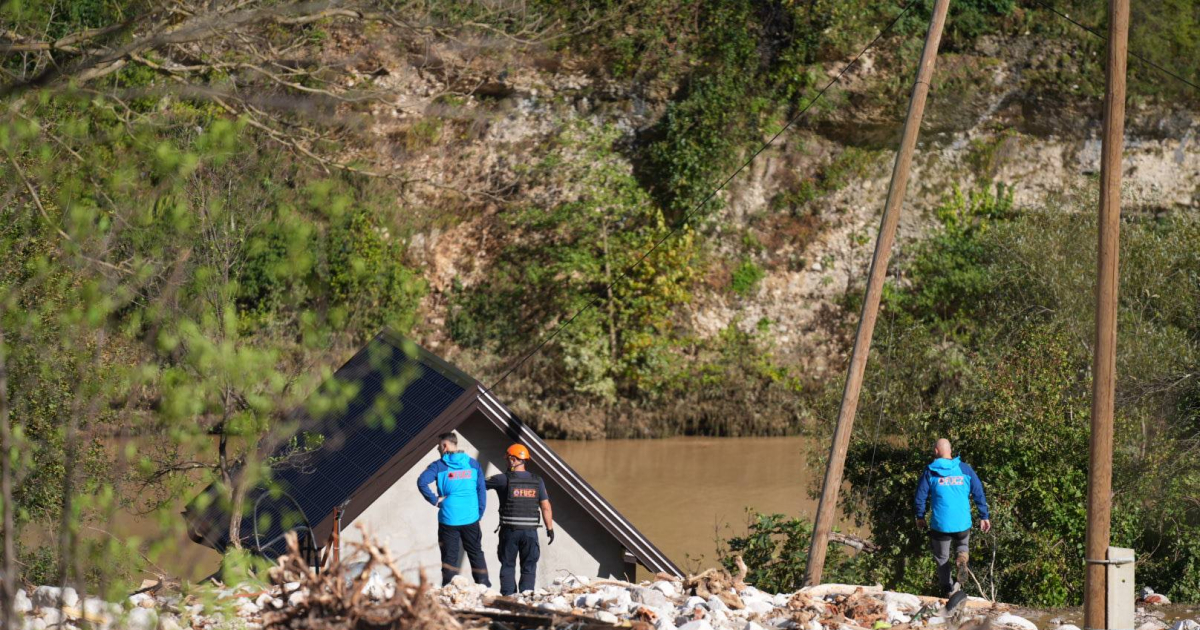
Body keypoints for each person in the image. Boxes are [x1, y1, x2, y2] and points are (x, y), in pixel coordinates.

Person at [914, 438, 991, 597]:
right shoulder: (965, 469)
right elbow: (978, 491)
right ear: (950, 450)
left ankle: (948, 589)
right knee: (962, 546)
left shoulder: (930, 471)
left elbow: (920, 497)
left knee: (942, 558)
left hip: (941, 525)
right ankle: (962, 559)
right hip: (962, 524)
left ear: (936, 451)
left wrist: (920, 516)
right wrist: (984, 515)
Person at [416, 432, 490, 587]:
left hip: (448, 519)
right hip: (471, 518)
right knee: (476, 553)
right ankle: (484, 587)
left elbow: (422, 481)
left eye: (438, 447)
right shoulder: (473, 464)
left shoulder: (439, 465)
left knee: (450, 558)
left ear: (445, 446)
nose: (438, 450)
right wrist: (479, 513)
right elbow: (481, 490)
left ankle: (449, 590)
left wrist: (435, 500)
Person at [486, 443, 555, 595]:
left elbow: (477, 485)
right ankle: (526, 597)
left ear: (513, 460)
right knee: (529, 566)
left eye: (508, 459)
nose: (506, 462)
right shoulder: (538, 480)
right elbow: (546, 507)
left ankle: (509, 598)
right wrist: (550, 529)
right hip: (530, 533)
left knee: (508, 565)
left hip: (509, 532)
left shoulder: (502, 479)